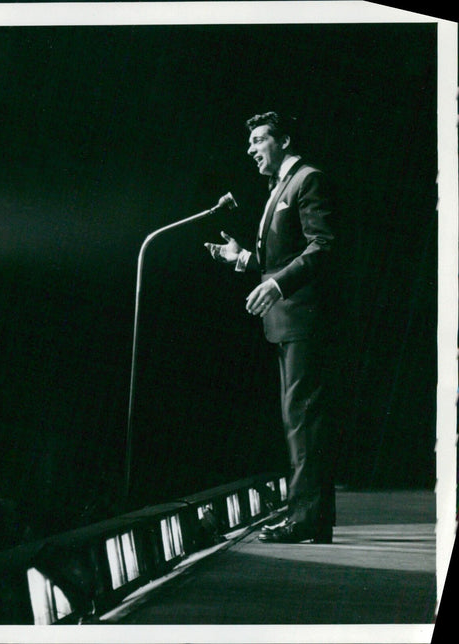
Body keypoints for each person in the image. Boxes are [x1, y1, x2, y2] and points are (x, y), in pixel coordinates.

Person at [205, 111, 337, 544]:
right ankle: (311, 517)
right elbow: (278, 259)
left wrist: (279, 285)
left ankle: (304, 519)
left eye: (259, 139)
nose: (251, 149)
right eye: (250, 143)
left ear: (283, 141)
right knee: (298, 418)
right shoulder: (279, 187)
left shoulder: (307, 179)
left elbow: (323, 245)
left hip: (303, 318)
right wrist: (241, 259)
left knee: (301, 418)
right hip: (288, 322)